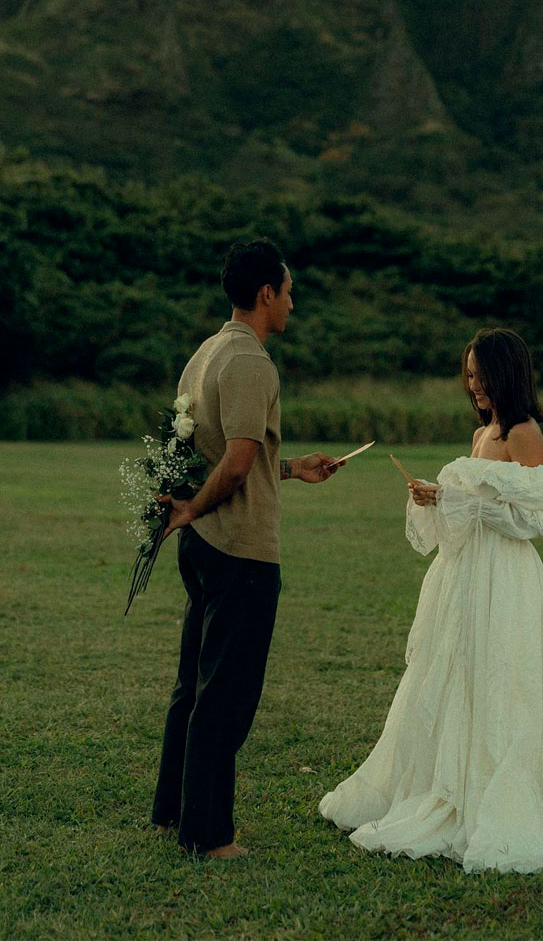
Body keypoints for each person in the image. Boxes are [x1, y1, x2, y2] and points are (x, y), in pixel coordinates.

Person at [320, 327, 543, 876]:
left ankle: (502, 789)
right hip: (467, 575)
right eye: (468, 376)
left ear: (506, 375)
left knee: (504, 676)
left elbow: (536, 517)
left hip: (508, 577)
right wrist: (437, 498)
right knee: (459, 674)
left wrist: (467, 502)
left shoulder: (522, 433)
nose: (474, 386)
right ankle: (450, 783)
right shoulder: (480, 433)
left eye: (481, 375)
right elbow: (467, 512)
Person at [151, 239, 343, 859]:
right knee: (225, 697)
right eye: (288, 292)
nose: (292, 302)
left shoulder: (205, 353)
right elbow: (232, 467)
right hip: (240, 549)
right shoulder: (253, 362)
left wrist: (288, 469)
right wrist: (193, 508)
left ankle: (172, 811)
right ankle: (207, 836)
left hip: (204, 548)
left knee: (192, 684)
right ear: (266, 293)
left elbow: (227, 455)